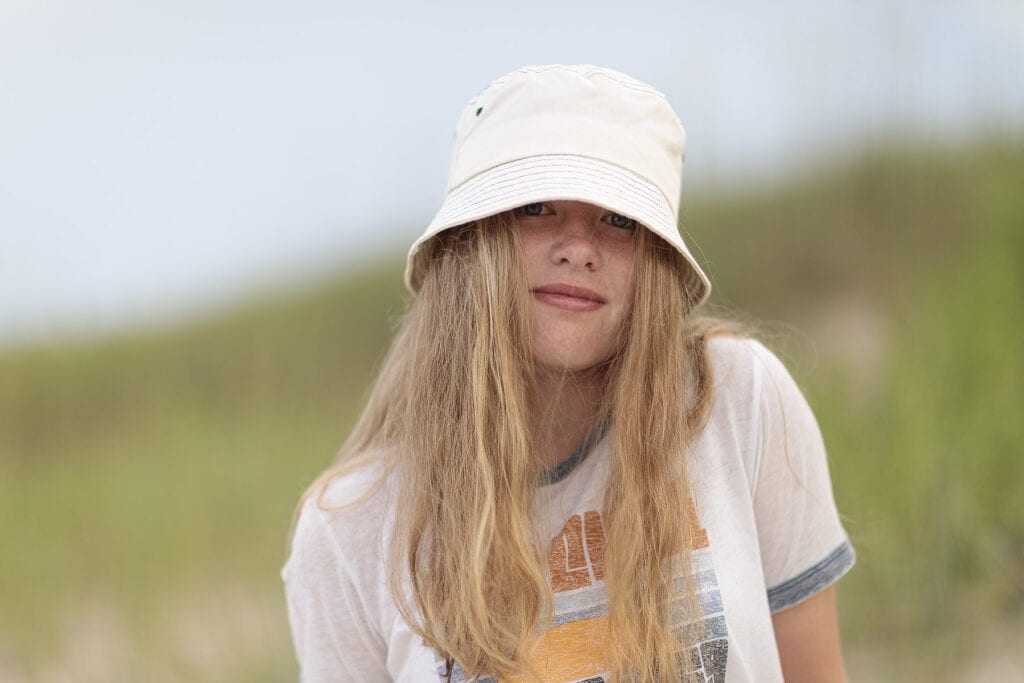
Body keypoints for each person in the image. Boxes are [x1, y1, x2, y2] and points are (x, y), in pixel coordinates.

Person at [281, 64, 855, 682]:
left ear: (654, 261)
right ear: (469, 246)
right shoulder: (348, 528)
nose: (578, 246)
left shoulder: (737, 401)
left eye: (618, 220)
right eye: (535, 208)